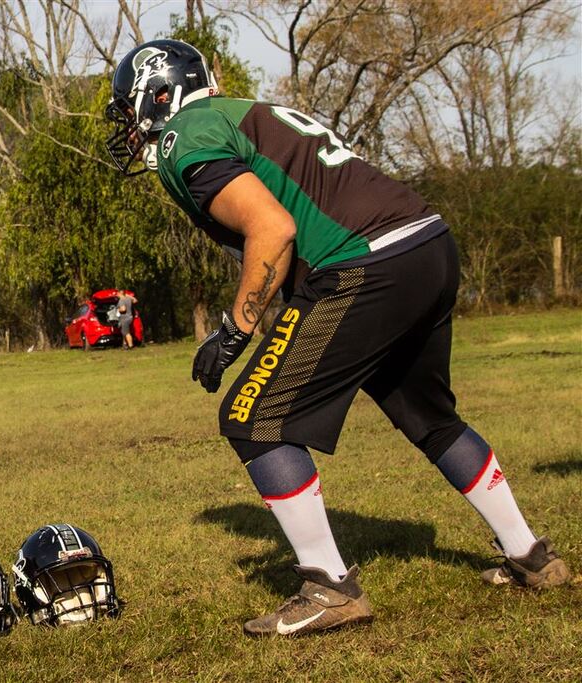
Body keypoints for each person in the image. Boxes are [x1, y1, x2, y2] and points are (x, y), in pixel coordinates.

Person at [105, 39, 571, 636]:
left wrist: (234, 329)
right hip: (427, 243)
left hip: (365, 263)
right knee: (430, 418)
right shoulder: (246, 110)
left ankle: (330, 587)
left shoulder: (184, 134)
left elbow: (272, 229)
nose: (129, 121)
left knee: (255, 419)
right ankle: (532, 555)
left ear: (156, 94)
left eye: (128, 106)